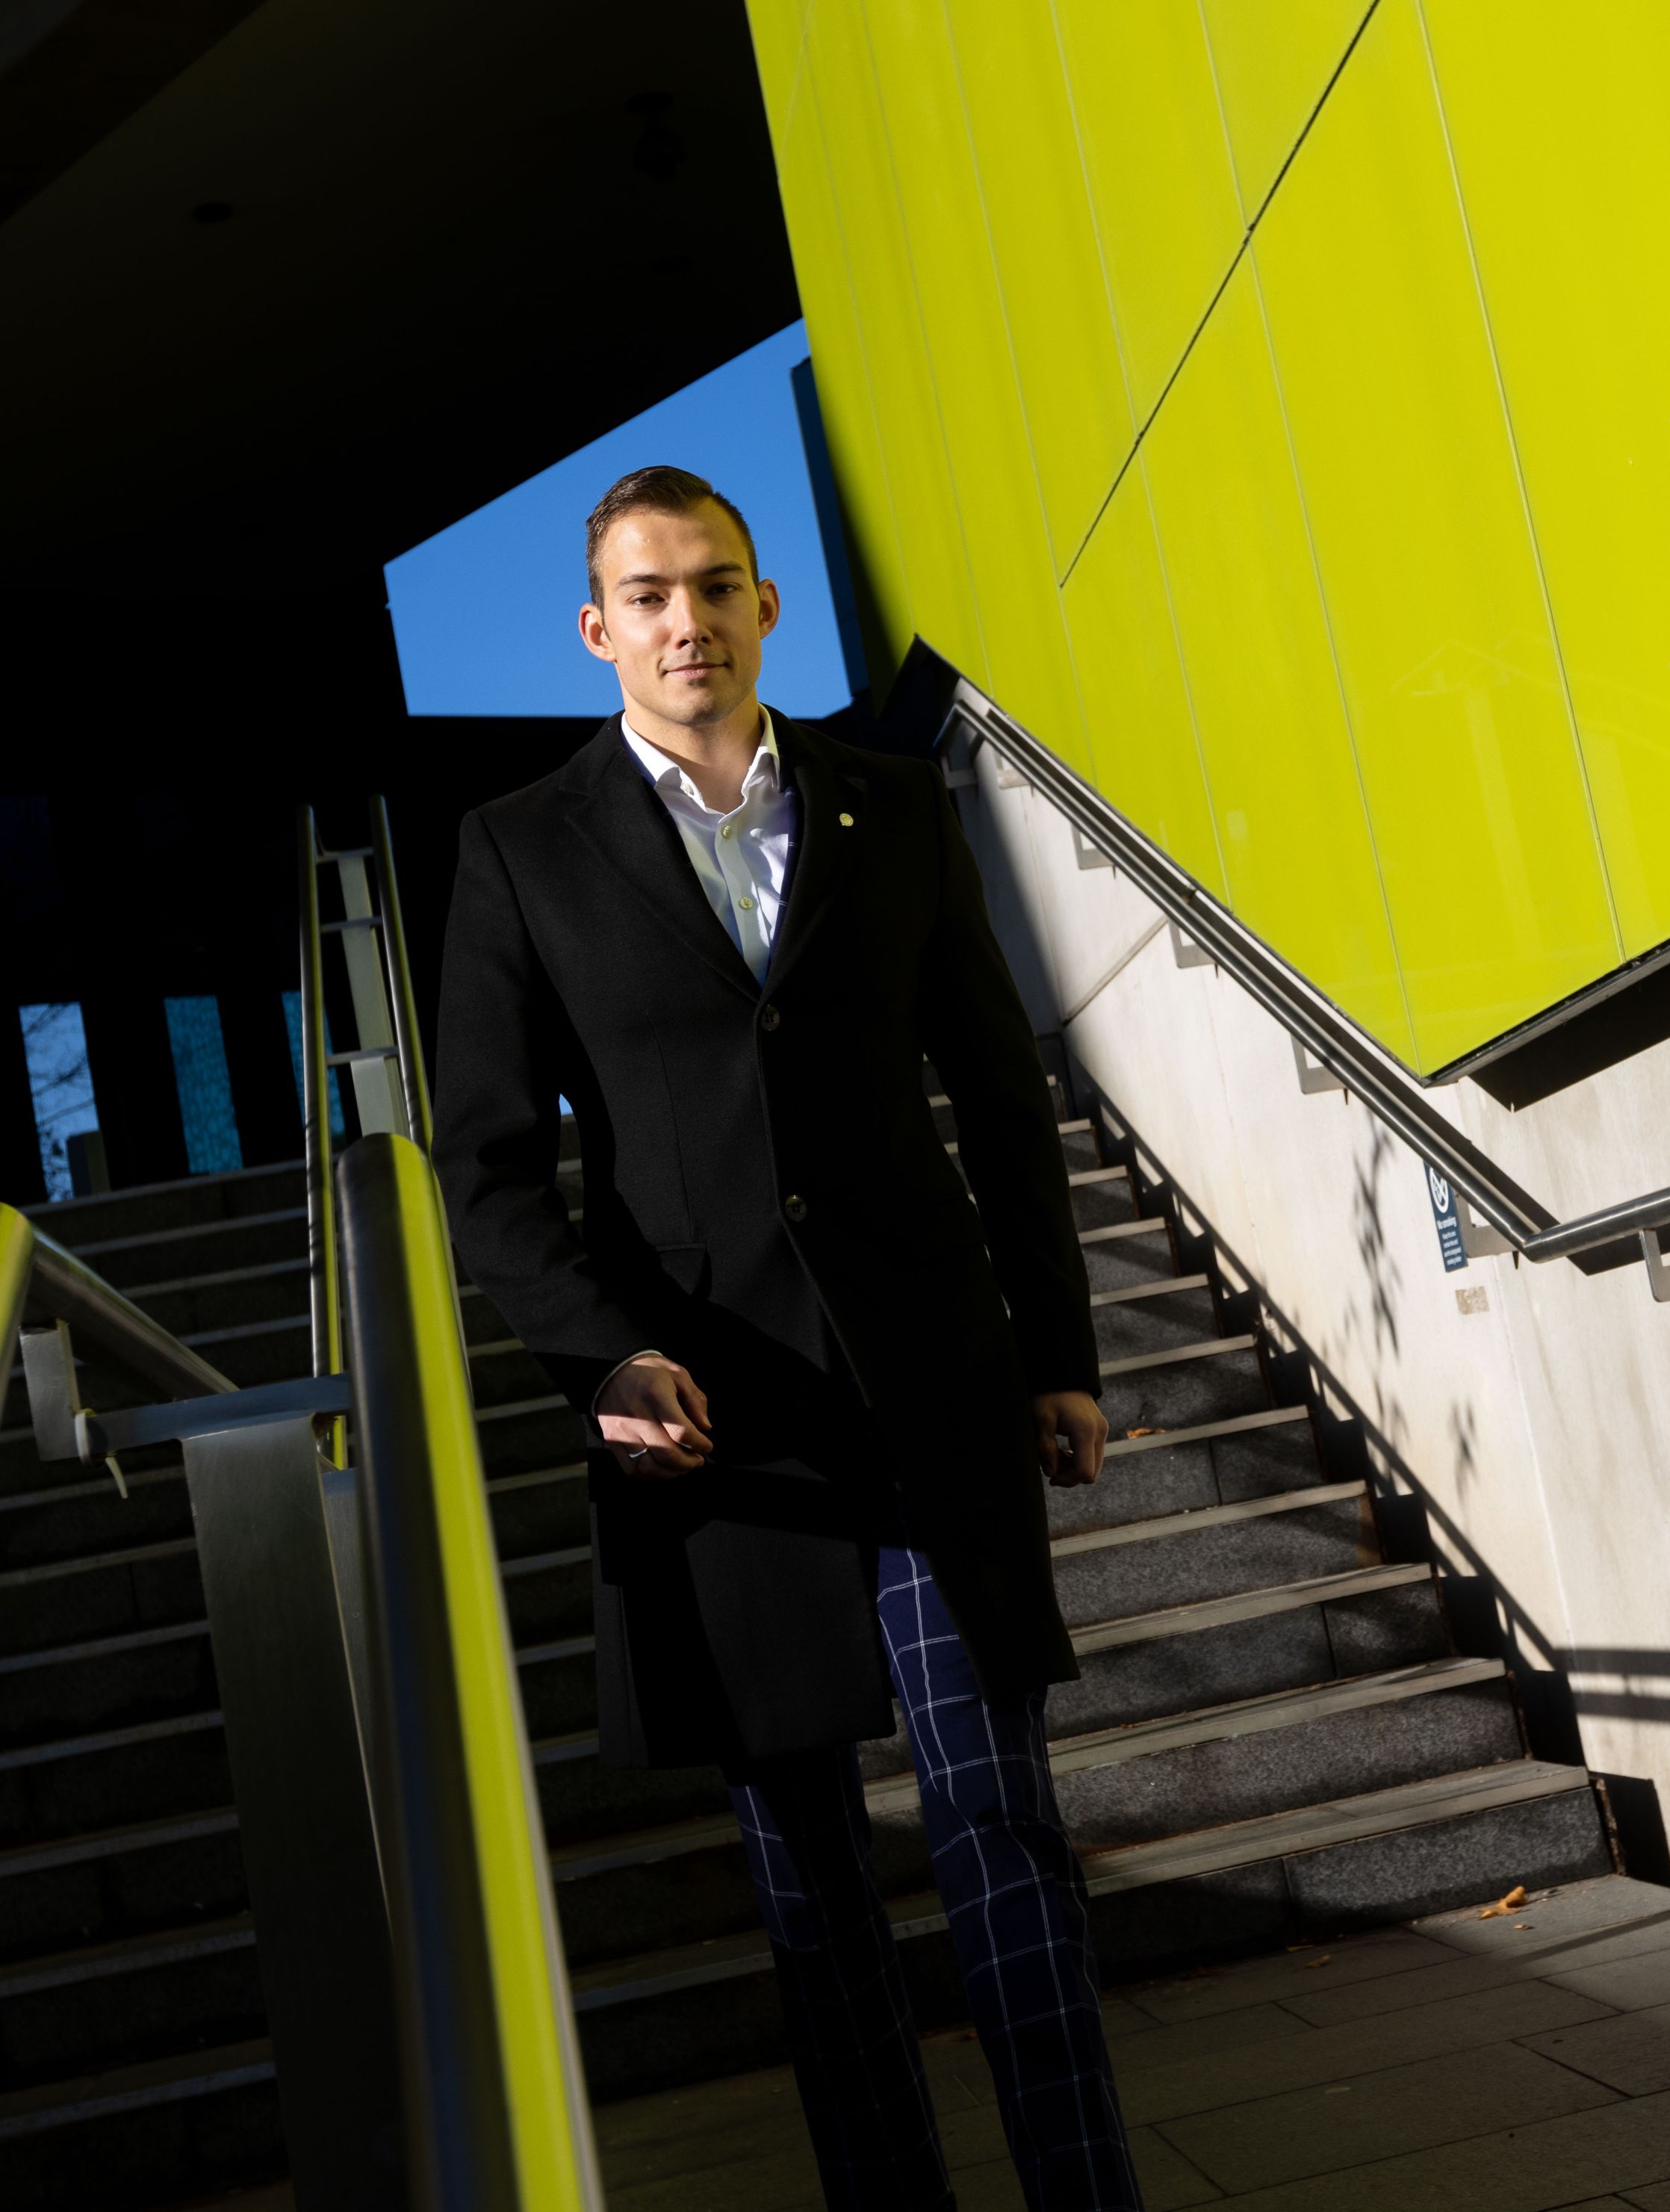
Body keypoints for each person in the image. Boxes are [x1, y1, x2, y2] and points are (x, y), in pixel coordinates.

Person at [434, 463, 1140, 2211]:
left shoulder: (887, 809)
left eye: (718, 586)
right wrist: (605, 1356)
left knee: (996, 1822)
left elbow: (994, 1081)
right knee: (811, 1883)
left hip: (927, 1389)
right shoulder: (522, 849)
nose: (689, 621)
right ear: (599, 630)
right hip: (716, 1432)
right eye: (651, 595)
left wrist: (1060, 1350)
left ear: (768, 608)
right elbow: (491, 1163)